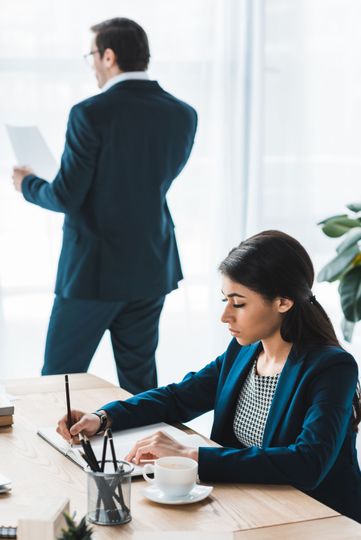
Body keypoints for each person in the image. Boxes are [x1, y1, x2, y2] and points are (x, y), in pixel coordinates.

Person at [56, 230, 361, 522]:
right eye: (224, 300)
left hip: (318, 518)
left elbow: (308, 463)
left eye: (238, 303)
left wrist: (192, 455)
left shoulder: (332, 368)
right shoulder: (244, 351)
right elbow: (177, 398)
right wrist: (103, 418)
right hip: (248, 505)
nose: (225, 315)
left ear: (283, 302)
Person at [12, 18, 197, 394]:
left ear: (108, 56)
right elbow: (147, 183)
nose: (92, 65)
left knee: (57, 381)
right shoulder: (183, 113)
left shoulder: (90, 113)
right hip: (151, 265)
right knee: (140, 383)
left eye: (91, 55)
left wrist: (27, 184)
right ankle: (143, 453)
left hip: (92, 271)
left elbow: (66, 196)